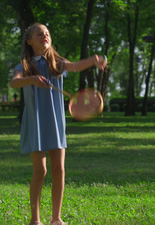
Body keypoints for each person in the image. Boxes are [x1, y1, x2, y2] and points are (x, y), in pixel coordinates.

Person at [10, 23, 106, 225]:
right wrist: (33, 79)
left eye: (47, 33)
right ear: (29, 41)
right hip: (35, 122)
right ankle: (35, 220)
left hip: (55, 122)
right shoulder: (25, 66)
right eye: (39, 34)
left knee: (59, 169)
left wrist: (92, 61)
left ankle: (56, 218)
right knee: (40, 171)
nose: (45, 36)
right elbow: (14, 82)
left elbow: (75, 66)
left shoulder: (57, 62)